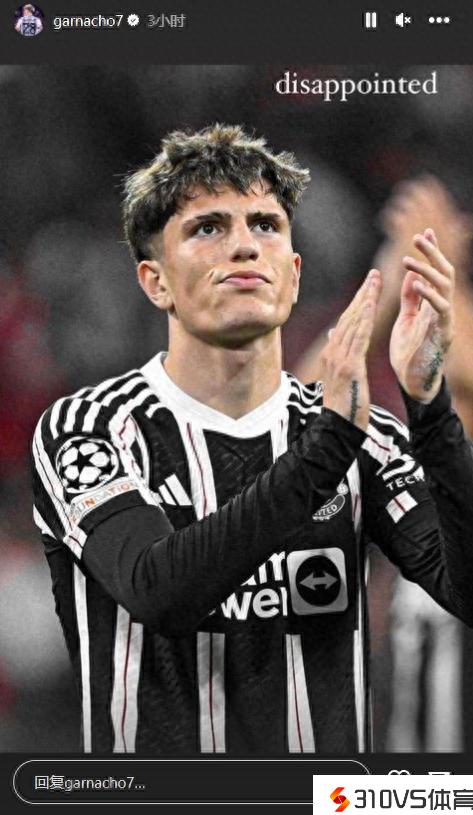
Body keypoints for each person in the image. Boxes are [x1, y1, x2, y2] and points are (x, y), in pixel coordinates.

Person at [31, 124, 473, 755]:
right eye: (207, 228)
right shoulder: (90, 428)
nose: (243, 245)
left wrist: (430, 409)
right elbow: (160, 592)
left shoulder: (366, 437)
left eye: (265, 225)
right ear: (156, 281)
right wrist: (328, 446)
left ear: (293, 274)